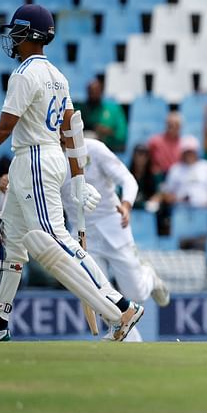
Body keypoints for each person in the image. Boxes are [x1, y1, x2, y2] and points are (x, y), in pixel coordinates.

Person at [0, 3, 144, 342]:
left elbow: (6, 127)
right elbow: (70, 131)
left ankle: (121, 308)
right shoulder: (59, 76)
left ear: (32, 35)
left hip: (34, 157)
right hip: (43, 157)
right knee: (6, 238)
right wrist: (76, 179)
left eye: (17, 32)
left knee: (54, 241)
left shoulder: (24, 74)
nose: (13, 39)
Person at [59, 135, 170, 341]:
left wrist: (126, 205)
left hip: (113, 224)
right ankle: (131, 341)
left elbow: (128, 180)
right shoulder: (48, 157)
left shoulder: (94, 148)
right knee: (101, 297)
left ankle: (149, 277)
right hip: (83, 235)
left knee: (135, 293)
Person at [159, 135, 207, 208]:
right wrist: (179, 199)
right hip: (181, 210)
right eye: (187, 152)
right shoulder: (175, 169)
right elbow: (167, 195)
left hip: (204, 210)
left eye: (192, 151)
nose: (190, 154)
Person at [79, 78, 127, 152]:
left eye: (96, 91)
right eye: (91, 92)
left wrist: (109, 132)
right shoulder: (83, 110)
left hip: (110, 148)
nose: (93, 95)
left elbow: (121, 134)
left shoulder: (113, 109)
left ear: (101, 91)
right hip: (89, 148)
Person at [147, 111, 182, 175]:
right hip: (159, 175)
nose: (173, 127)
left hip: (177, 176)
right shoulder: (155, 141)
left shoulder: (183, 144)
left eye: (176, 125)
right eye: (170, 125)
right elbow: (146, 159)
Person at [128, 144, 161, 209]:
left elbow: (159, 193)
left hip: (147, 209)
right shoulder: (126, 174)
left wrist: (157, 197)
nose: (141, 158)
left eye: (144, 155)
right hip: (129, 208)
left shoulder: (154, 175)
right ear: (134, 156)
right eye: (139, 154)